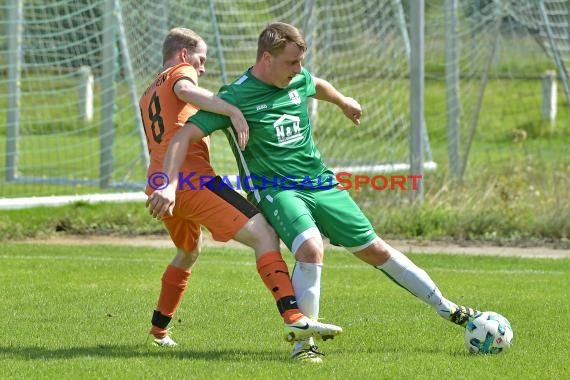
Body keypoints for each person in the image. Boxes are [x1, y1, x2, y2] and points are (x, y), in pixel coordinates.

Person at [148, 22, 479, 363]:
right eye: (291, 63)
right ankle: (304, 345)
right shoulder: (235, 97)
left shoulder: (298, 78)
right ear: (266, 58)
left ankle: (449, 309)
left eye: (300, 62)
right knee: (310, 247)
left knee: (376, 249)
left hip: (320, 182)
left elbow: (316, 85)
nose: (299, 70)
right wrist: (170, 183)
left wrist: (343, 101)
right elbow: (183, 136)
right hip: (274, 189)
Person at [140, 27, 342, 349]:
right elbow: (186, 90)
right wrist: (231, 109)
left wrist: (164, 185)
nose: (202, 68)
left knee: (188, 252)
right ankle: (294, 317)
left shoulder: (148, 91)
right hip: (188, 181)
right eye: (200, 59)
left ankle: (159, 332)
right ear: (182, 55)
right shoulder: (180, 73)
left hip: (158, 180)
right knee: (263, 233)